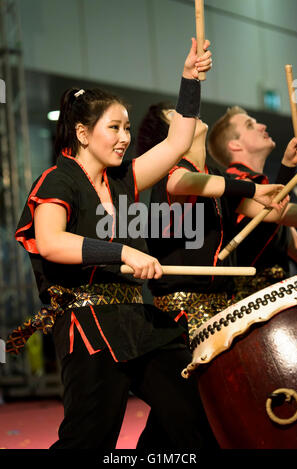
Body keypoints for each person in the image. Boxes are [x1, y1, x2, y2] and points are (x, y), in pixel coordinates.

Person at [6, 38, 222, 450]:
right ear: (83, 134)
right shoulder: (58, 180)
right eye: (114, 128)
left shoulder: (122, 179)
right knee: (89, 438)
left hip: (137, 321)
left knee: (191, 414)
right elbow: (51, 242)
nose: (124, 137)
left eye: (127, 127)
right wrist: (122, 251)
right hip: (87, 325)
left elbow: (177, 143)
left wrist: (189, 80)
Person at [136, 103, 297, 339]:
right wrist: (251, 189)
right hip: (181, 319)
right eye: (174, 114)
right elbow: (181, 182)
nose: (187, 112)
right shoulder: (170, 172)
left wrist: (287, 166)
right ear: (168, 137)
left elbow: (272, 212)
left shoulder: (216, 176)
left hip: (223, 313)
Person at [207, 106, 297, 299]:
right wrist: (287, 166)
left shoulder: (263, 187)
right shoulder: (233, 184)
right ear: (235, 145)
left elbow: (296, 246)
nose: (262, 126)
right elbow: (277, 211)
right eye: (250, 125)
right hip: (250, 307)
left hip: (279, 303)